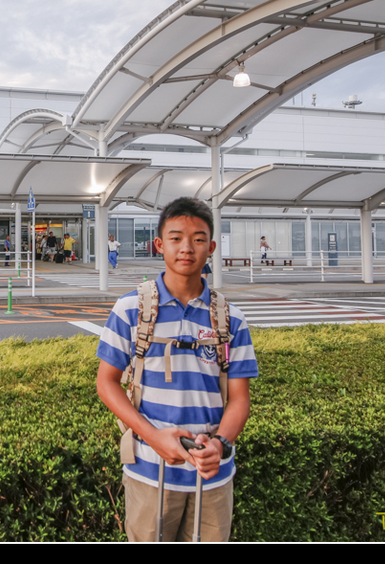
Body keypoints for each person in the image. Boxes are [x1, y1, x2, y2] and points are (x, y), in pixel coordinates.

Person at [95, 197, 258, 542]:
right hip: (148, 472)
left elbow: (240, 399)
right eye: (176, 238)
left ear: (211, 247)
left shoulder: (232, 318)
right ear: (159, 245)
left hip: (213, 476)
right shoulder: (130, 308)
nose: (187, 248)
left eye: (198, 239)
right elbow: (106, 383)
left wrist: (220, 445)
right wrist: (153, 438)